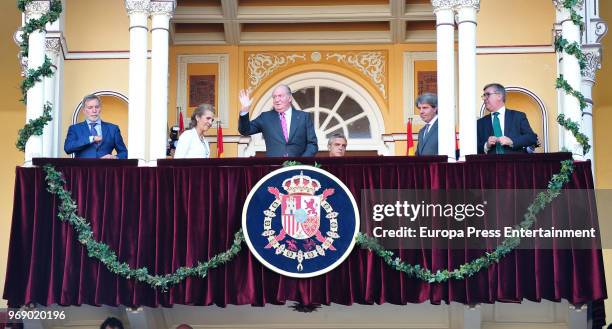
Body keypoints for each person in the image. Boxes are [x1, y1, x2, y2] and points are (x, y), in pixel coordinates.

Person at [238, 85, 318, 157]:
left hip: (299, 169)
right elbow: (245, 131)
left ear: (289, 98)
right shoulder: (265, 117)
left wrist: (302, 162)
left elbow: (312, 144)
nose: (276, 100)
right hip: (274, 168)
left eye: (280, 96)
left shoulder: (303, 117)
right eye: (274, 97)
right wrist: (245, 110)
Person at [477, 83, 537, 154]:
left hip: (515, 163)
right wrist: (486, 145)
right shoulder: (480, 123)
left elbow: (532, 138)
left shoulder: (518, 116)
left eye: (487, 94)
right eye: (484, 96)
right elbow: (474, 148)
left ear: (499, 96)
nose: (484, 98)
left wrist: (512, 141)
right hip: (491, 164)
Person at [64, 94, 128, 159]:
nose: (94, 111)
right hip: (82, 168)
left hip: (106, 168)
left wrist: (115, 157)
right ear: (84, 110)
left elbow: (124, 153)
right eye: (90, 107)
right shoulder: (75, 129)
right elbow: (68, 148)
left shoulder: (113, 129)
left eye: (97, 107)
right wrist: (91, 139)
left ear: (100, 108)